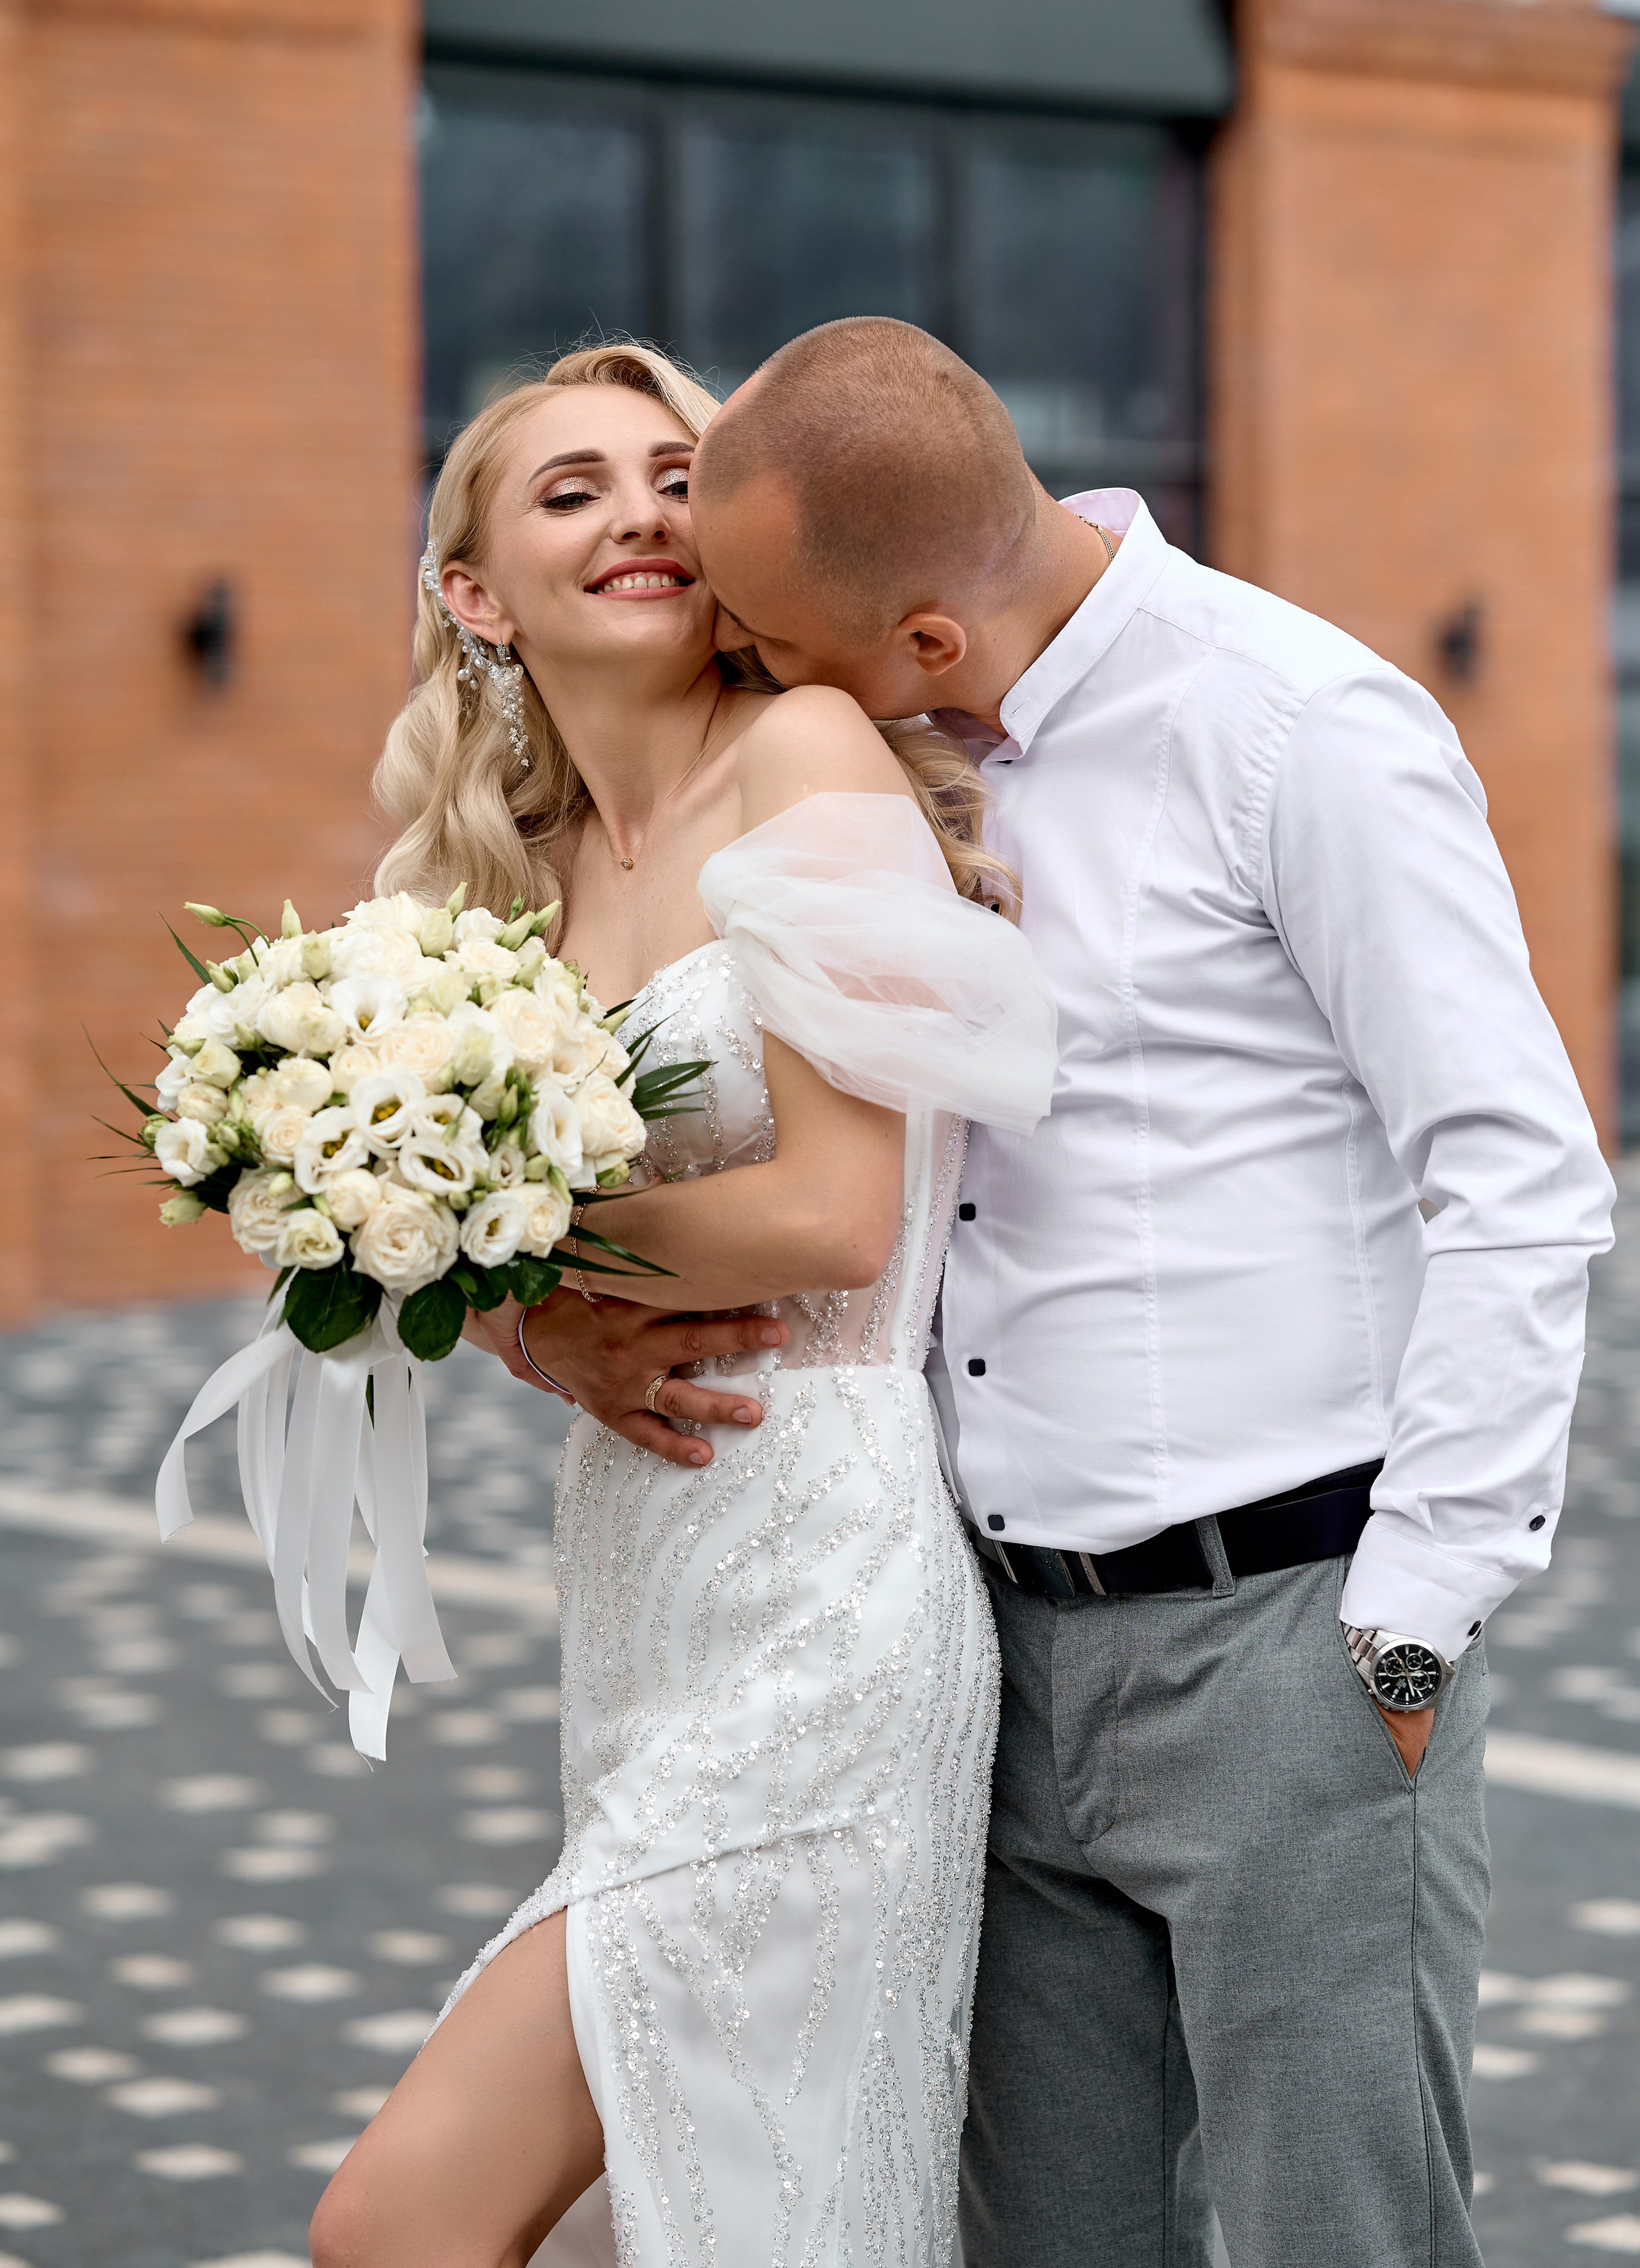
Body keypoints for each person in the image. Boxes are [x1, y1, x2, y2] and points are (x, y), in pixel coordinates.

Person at [517, 316, 1617, 2268]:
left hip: (1293, 1648)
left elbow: (1520, 1175)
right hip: (986, 1660)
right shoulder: (904, 770)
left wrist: (1416, 1628)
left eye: (783, 642)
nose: (757, 673)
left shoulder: (1296, 724)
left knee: (1336, 2243)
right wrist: (554, 1317)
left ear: (926, 640)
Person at [307, 341, 1058, 2268]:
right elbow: (449, 1244)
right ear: (474, 592)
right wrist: (506, 1313)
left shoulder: (802, 756)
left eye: (671, 473)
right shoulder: (495, 890)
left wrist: (511, 1266)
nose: (639, 513)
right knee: (736, 2208)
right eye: (570, 491)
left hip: (829, 1582)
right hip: (642, 1579)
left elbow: (830, 1215)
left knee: (395, 2225)